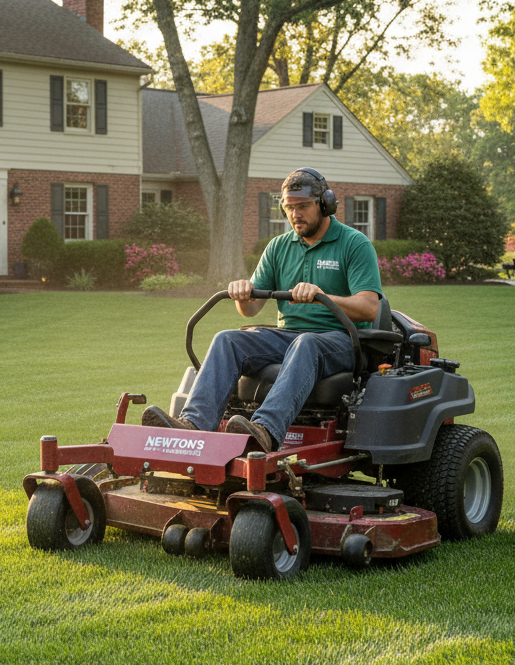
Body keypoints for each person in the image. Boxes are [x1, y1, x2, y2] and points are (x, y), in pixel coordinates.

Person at [142, 167, 383, 453]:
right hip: (288, 337)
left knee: (306, 343)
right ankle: (193, 426)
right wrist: (243, 294)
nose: (295, 214)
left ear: (324, 204)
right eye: (289, 208)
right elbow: (251, 310)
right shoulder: (278, 247)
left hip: (341, 339)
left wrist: (322, 296)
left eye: (303, 206)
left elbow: (369, 308)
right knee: (227, 338)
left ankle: (265, 430)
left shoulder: (354, 244)